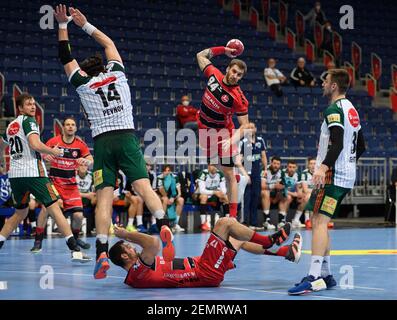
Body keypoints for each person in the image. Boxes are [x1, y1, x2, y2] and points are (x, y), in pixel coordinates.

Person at [54, 4, 171, 279]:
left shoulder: (82, 83)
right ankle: (164, 224)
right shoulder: (117, 73)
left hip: (103, 143)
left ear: (85, 70)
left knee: (104, 198)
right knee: (142, 186)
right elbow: (109, 43)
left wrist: (62, 25)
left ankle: (102, 252)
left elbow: (64, 56)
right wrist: (84, 24)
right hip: (127, 136)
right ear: (104, 66)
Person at [288, 69, 366, 295]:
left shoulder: (334, 109)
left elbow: (338, 142)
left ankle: (312, 277)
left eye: (325, 81)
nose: (322, 83)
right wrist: (348, 165)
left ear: (333, 86)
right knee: (319, 219)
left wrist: (323, 167)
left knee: (319, 222)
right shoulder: (352, 110)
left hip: (332, 175)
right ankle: (327, 274)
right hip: (344, 175)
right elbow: (361, 146)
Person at [0, 93, 90, 262]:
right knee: (55, 209)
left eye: (34, 104)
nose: (33, 107)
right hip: (33, 173)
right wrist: (52, 151)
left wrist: (3, 163)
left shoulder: (11, 125)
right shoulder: (29, 121)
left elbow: (1, 144)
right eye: (28, 104)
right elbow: (35, 144)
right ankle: (75, 250)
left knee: (20, 213)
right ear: (20, 108)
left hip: (15, 175)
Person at [108, 220, 302, 288]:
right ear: (125, 256)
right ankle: (269, 240)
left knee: (237, 238)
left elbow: (168, 260)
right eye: (128, 246)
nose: (133, 247)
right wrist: (125, 234)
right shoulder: (137, 271)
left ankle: (287, 252)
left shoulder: (138, 272)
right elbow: (152, 242)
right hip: (205, 272)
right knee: (225, 224)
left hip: (203, 266)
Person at [196, 44, 254, 220]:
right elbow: (200, 54)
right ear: (228, 68)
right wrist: (223, 50)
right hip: (203, 128)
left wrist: (232, 140)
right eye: (234, 71)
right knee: (219, 166)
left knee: (228, 174)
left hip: (223, 135)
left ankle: (232, 216)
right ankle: (234, 190)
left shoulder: (239, 98)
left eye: (239, 75)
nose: (235, 76)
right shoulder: (214, 75)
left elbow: (245, 125)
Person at [31, 117, 93, 253]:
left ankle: (75, 239)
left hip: (71, 185)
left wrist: (86, 161)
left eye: (73, 125)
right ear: (63, 128)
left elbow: (90, 159)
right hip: (54, 183)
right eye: (67, 125)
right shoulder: (54, 141)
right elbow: (40, 152)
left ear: (76, 128)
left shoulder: (80, 144)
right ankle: (38, 241)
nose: (70, 127)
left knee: (78, 216)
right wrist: (45, 156)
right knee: (45, 210)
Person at [239, 123, 267, 229]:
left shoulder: (260, 140)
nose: (251, 129)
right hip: (246, 174)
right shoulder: (243, 142)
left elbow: (263, 156)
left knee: (256, 197)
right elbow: (240, 158)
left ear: (255, 129)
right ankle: (245, 222)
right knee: (247, 198)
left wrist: (265, 169)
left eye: (252, 127)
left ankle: (254, 223)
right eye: (248, 128)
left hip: (256, 173)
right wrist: (244, 174)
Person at [194, 164, 229, 231]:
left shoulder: (220, 174)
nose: (214, 168)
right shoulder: (203, 173)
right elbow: (202, 190)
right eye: (212, 166)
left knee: (225, 197)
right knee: (204, 197)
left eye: (215, 166)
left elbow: (224, 190)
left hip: (215, 194)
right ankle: (203, 223)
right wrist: (215, 192)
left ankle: (227, 221)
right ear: (208, 166)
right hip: (201, 194)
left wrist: (219, 192)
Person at [156, 165, 185, 233]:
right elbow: (161, 190)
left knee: (181, 200)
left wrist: (173, 197)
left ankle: (175, 224)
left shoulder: (175, 177)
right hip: (161, 196)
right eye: (165, 170)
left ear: (171, 171)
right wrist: (168, 198)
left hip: (172, 196)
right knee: (165, 199)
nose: (167, 172)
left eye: (168, 170)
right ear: (162, 171)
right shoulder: (159, 177)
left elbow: (179, 191)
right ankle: (162, 223)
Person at [261, 156, 284, 230]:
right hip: (262, 193)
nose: (276, 165)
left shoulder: (281, 172)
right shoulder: (264, 170)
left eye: (278, 164)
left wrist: (280, 188)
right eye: (274, 163)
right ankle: (266, 221)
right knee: (266, 192)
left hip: (274, 193)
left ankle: (281, 221)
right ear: (271, 163)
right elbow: (262, 186)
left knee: (285, 194)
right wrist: (274, 186)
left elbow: (281, 185)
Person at [293, 157, 316, 228]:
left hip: (314, 193)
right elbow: (305, 190)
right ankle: (297, 220)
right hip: (304, 194)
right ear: (308, 165)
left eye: (314, 164)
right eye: (311, 164)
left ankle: (313, 220)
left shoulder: (319, 173)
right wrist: (316, 190)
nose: (313, 165)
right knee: (308, 196)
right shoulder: (304, 174)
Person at [278, 160, 300, 229]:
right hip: (279, 192)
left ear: (296, 168)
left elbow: (298, 187)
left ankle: (296, 220)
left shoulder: (297, 175)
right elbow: (280, 187)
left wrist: (299, 194)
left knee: (303, 197)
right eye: (290, 167)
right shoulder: (282, 173)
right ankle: (281, 221)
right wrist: (294, 194)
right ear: (287, 167)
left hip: (291, 193)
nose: (292, 169)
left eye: (294, 167)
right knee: (287, 197)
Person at [76, 162, 96, 235]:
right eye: (81, 165)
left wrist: (93, 195)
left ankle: (98, 226)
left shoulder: (91, 176)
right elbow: (69, 193)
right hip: (75, 202)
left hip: (88, 203)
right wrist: (86, 195)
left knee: (97, 200)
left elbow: (95, 190)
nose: (83, 167)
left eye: (85, 165)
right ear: (77, 167)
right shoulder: (72, 176)